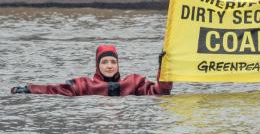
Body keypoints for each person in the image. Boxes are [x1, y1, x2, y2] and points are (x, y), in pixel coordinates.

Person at [11, 44, 172, 96]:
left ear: (118, 65)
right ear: (98, 66)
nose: (109, 66)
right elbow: (56, 90)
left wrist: (164, 68)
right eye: (104, 62)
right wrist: (29, 89)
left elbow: (161, 92)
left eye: (113, 62)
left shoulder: (135, 83)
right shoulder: (83, 85)